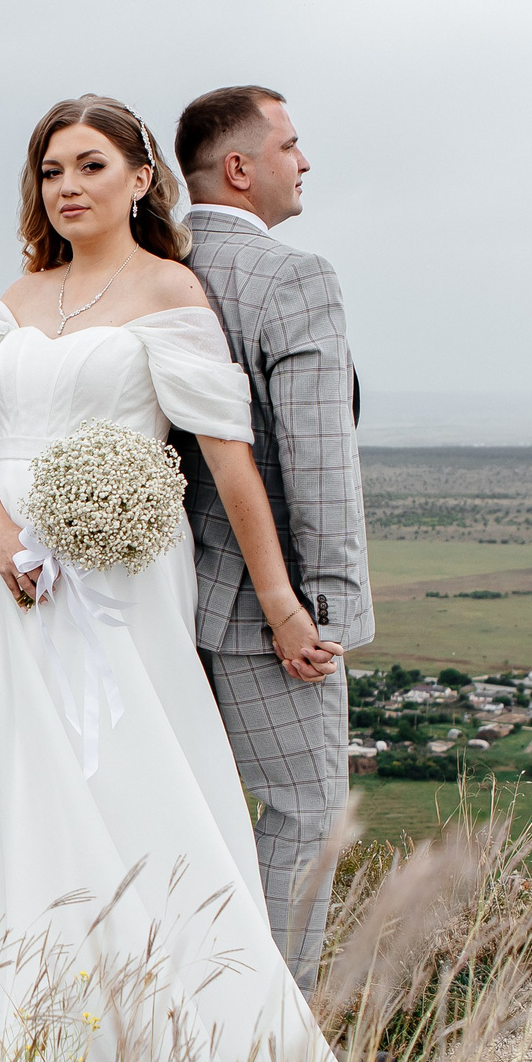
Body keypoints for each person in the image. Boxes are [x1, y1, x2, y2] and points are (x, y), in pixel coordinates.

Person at [0, 94, 359, 1062]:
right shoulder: (16, 298)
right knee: (23, 784)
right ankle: (30, 1043)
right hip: (14, 580)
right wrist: (0, 535)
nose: (68, 186)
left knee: (138, 770)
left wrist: (282, 605)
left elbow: (228, 458)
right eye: (52, 170)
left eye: (91, 165)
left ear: (142, 179)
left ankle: (191, 1038)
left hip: (127, 573)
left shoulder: (170, 291)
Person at [171, 85, 374, 995]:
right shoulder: (294, 278)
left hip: (159, 597)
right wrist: (321, 611)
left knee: (187, 814)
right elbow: (317, 459)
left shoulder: (151, 265)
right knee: (304, 811)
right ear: (240, 168)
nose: (305, 161)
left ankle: (182, 1002)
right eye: (290, 145)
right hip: (267, 615)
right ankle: (272, 1032)